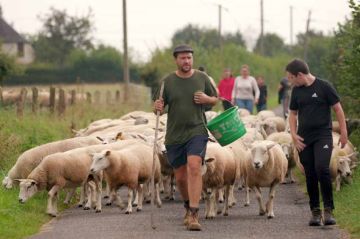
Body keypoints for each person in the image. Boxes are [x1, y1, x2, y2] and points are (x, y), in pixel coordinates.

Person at [153, 44, 218, 231]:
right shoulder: (168, 81)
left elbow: (215, 98)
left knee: (194, 166)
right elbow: (158, 106)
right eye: (183, 58)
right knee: (180, 177)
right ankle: (188, 205)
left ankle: (195, 213)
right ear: (176, 60)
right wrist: (157, 107)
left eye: (189, 57)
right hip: (174, 135)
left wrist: (207, 100)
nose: (187, 61)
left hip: (197, 131)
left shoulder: (202, 78)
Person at [287, 59, 348, 227]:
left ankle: (328, 210)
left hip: (323, 135)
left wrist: (343, 132)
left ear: (300, 75)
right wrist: (293, 135)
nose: (290, 81)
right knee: (310, 173)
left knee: (322, 168)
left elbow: (338, 109)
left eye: (291, 77)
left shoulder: (324, 86)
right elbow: (292, 114)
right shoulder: (297, 91)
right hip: (303, 138)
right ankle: (315, 211)